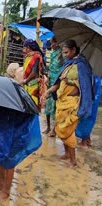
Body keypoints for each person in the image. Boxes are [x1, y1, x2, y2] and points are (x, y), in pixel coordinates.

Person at [42, 39, 93, 167]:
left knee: (68, 131)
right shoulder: (68, 63)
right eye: (63, 52)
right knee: (60, 128)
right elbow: (58, 83)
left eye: (66, 52)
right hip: (61, 102)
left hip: (72, 104)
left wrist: (70, 82)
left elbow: (84, 86)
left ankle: (73, 161)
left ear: (74, 50)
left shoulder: (81, 65)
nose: (64, 55)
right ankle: (66, 154)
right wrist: (48, 92)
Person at [43, 37, 64, 136]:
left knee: (56, 106)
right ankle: (48, 127)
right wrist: (46, 77)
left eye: (52, 43)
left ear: (57, 43)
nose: (51, 46)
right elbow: (49, 67)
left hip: (57, 83)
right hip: (50, 81)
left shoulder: (63, 54)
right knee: (48, 105)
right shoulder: (52, 54)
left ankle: (54, 130)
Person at [76, 75, 101, 148]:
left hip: (91, 91)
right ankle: (87, 139)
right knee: (91, 116)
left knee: (85, 116)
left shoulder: (90, 74)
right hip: (96, 89)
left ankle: (84, 142)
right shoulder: (97, 76)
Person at [22, 39, 47, 110]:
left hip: (33, 85)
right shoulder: (28, 56)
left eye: (24, 47)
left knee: (33, 104)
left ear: (28, 48)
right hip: (27, 84)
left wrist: (25, 81)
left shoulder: (36, 57)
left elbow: (34, 73)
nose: (23, 49)